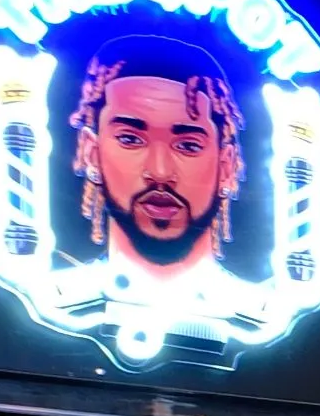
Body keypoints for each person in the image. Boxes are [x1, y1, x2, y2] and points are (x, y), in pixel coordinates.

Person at [70, 33, 248, 279]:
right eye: (130, 140)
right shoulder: (55, 300)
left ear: (227, 166)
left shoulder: (266, 312)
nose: (160, 172)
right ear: (91, 153)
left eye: (188, 145)